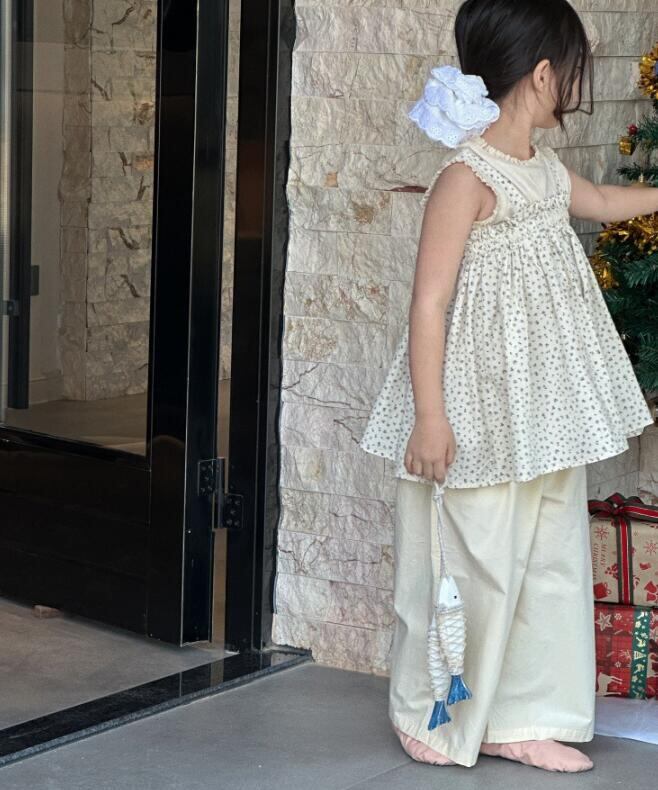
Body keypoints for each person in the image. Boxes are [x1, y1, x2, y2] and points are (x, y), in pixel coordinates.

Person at [358, 0, 657, 773]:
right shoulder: (466, 178)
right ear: (546, 74)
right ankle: (437, 714)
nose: (577, 87)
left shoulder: (544, 171)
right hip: (478, 408)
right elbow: (429, 303)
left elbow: (604, 202)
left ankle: (521, 715)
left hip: (543, 411)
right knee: (472, 562)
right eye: (574, 72)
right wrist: (430, 417)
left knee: (549, 561)